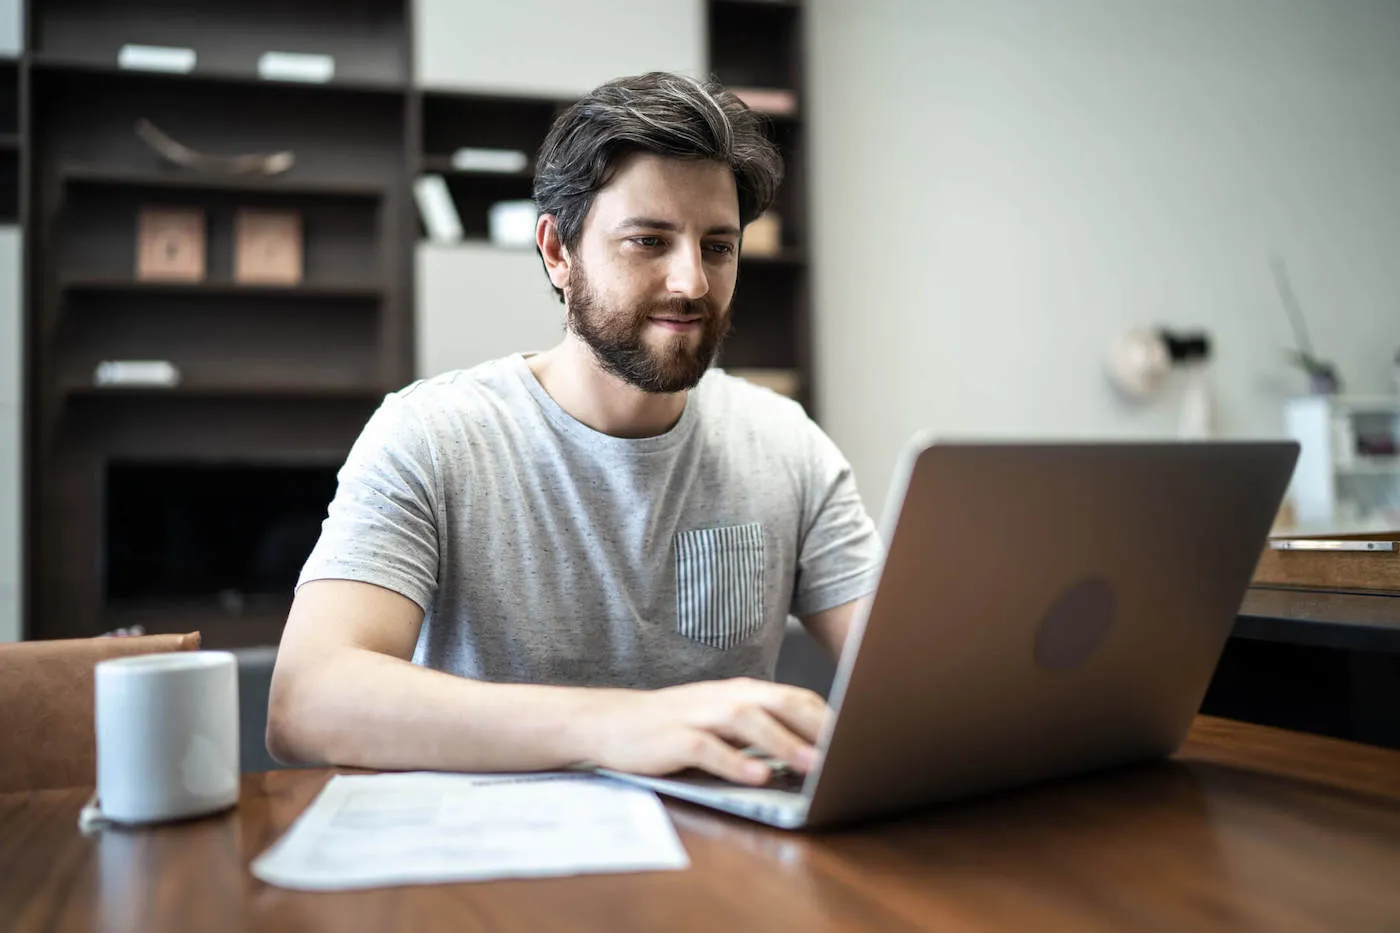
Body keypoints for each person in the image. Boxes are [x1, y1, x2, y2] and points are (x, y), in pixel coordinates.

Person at [266, 72, 883, 787]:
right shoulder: (431, 435)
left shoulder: (786, 444)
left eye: (717, 246)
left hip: (727, 861)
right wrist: (616, 725)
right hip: (492, 870)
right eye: (648, 241)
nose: (691, 283)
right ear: (558, 253)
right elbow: (304, 701)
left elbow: (908, 677)